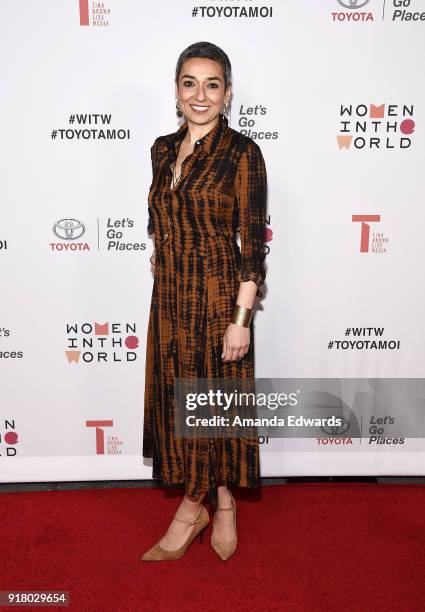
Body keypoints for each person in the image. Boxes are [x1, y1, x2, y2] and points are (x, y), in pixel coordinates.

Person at [141, 41, 267, 562]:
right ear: (176, 91)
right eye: (189, 83)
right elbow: (158, 214)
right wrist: (157, 248)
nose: (200, 94)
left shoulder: (243, 153)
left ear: (227, 94)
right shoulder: (161, 148)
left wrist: (241, 320)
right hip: (170, 298)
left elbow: (253, 246)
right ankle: (217, 496)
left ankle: (199, 508)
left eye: (211, 84)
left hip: (217, 297)